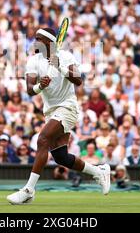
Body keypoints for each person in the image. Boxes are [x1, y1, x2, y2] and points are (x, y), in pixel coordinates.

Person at [7, 28, 110, 205]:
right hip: (50, 111)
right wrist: (41, 85)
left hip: (67, 107)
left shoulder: (66, 57)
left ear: (49, 42)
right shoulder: (33, 61)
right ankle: (99, 172)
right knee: (61, 157)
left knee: (42, 139)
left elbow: (79, 81)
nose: (34, 42)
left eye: (38, 39)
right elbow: (30, 89)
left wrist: (60, 67)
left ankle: (29, 190)